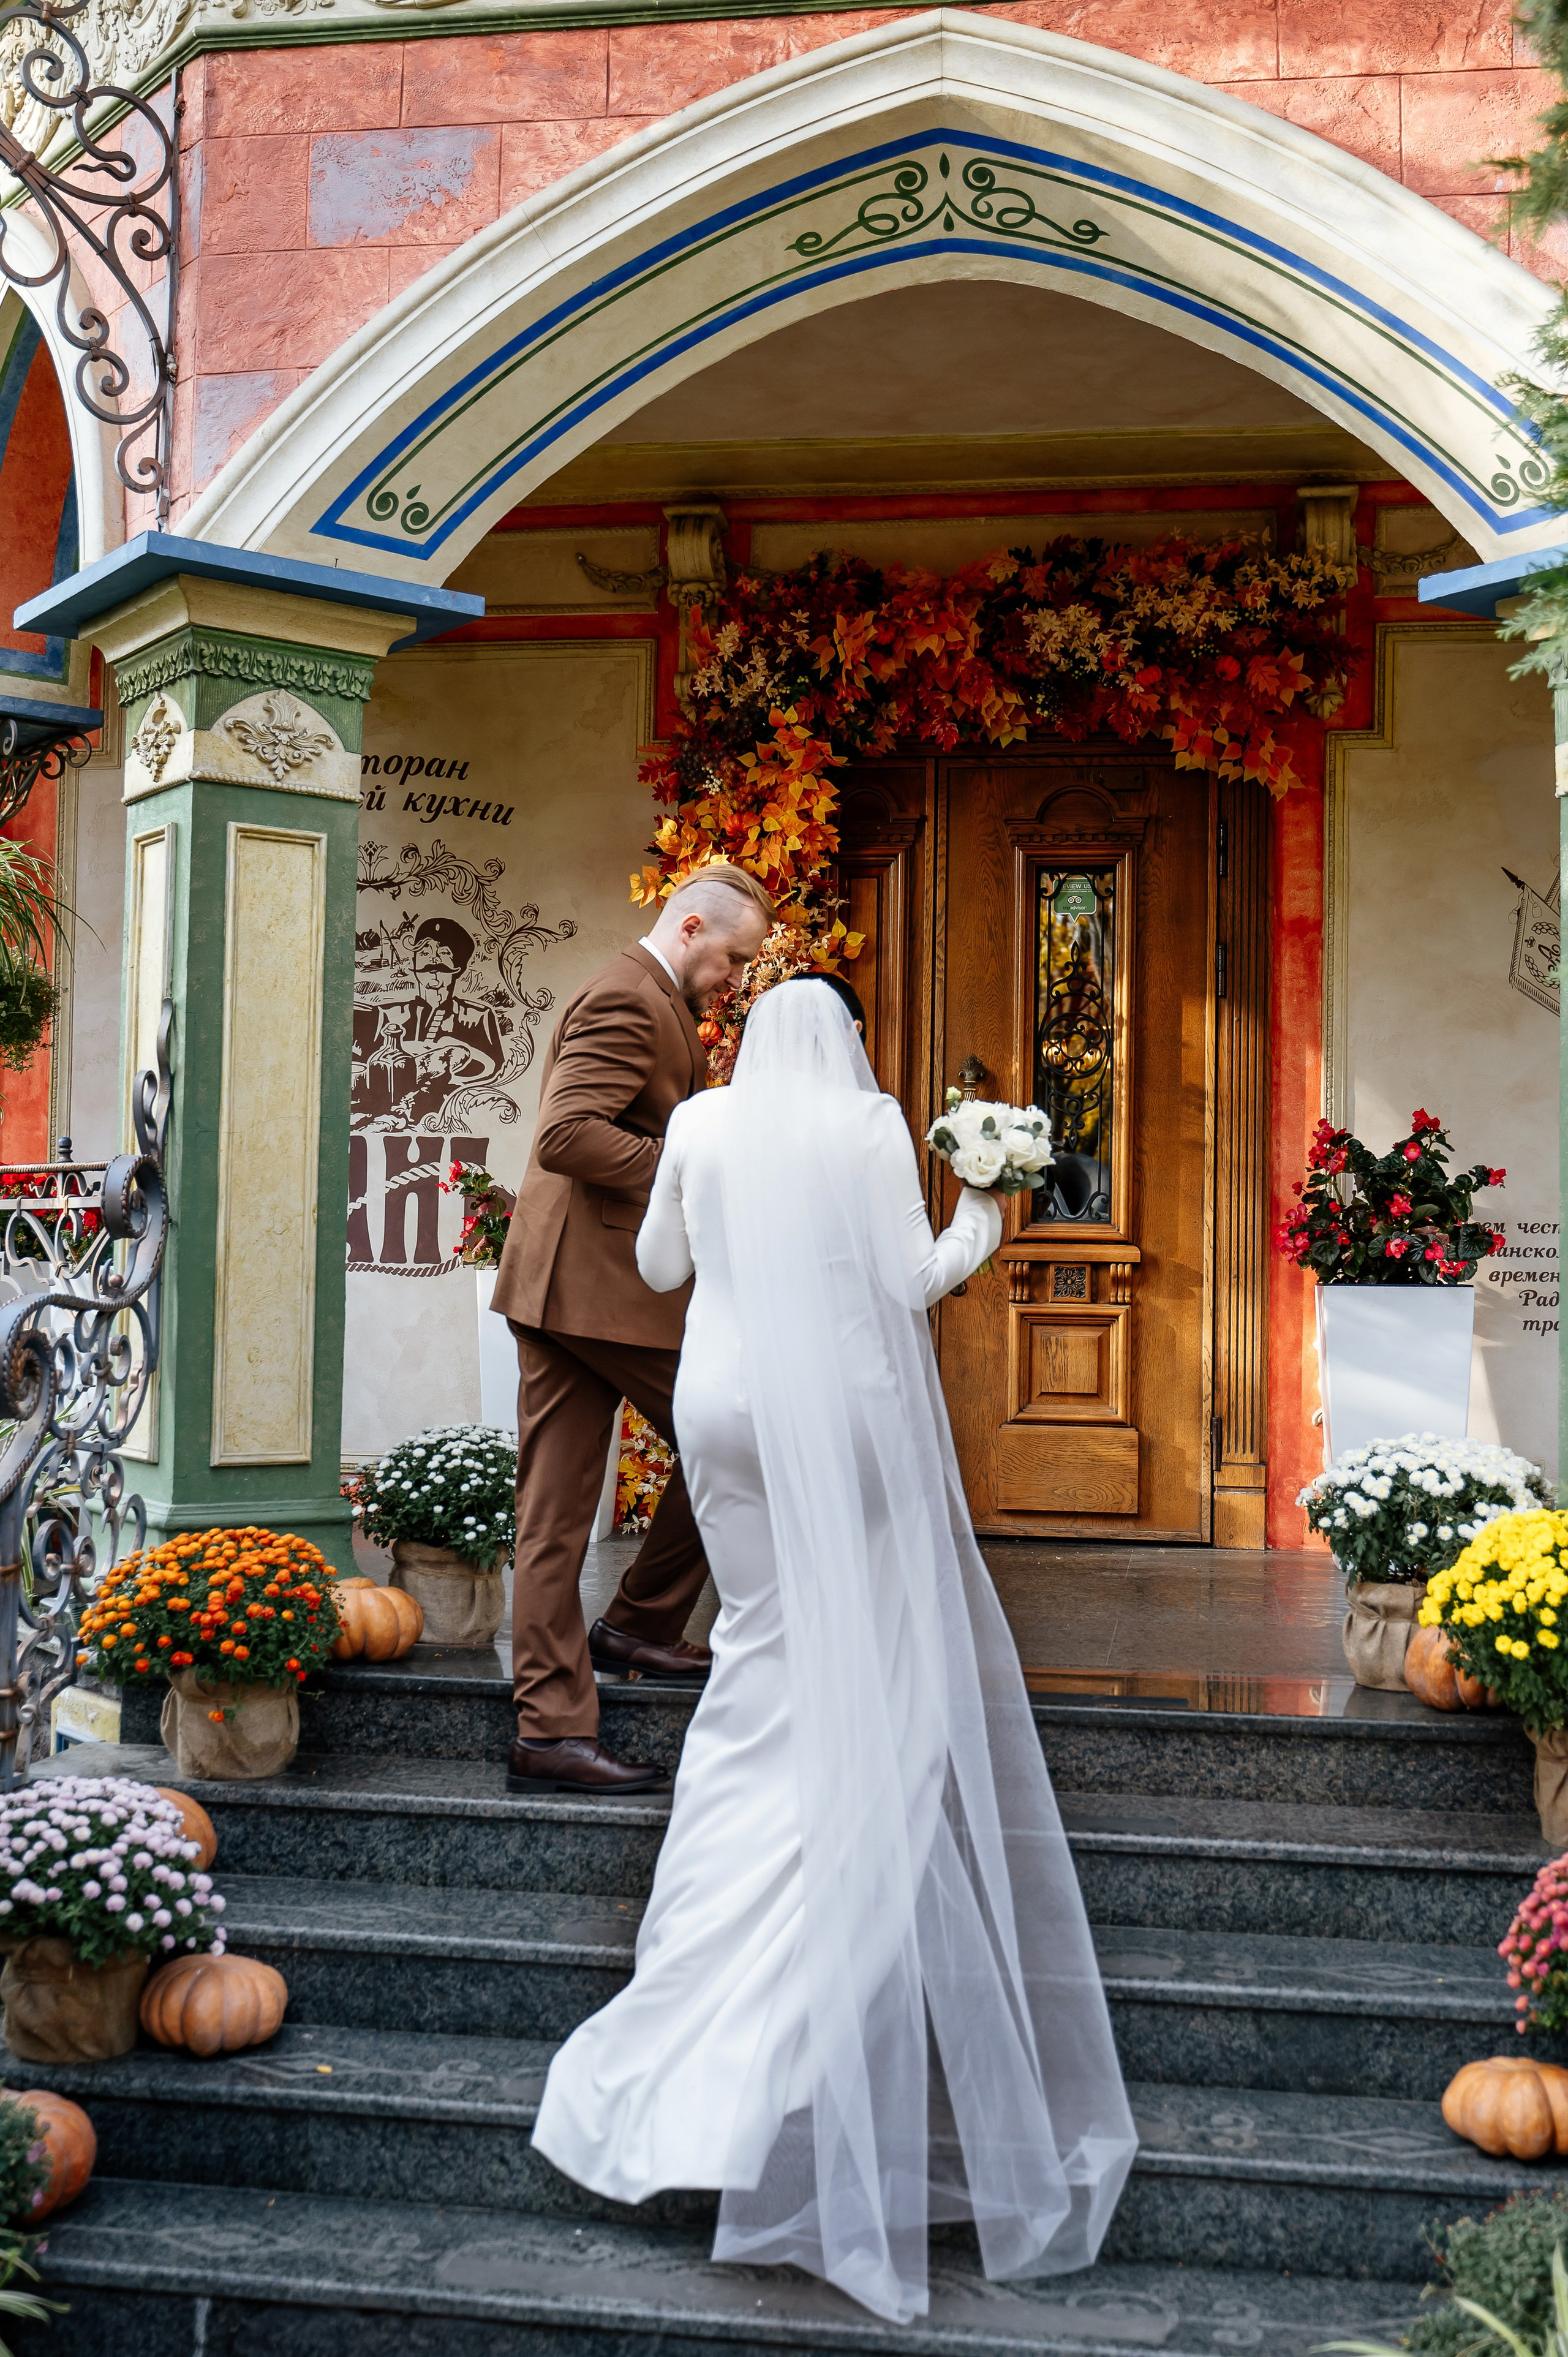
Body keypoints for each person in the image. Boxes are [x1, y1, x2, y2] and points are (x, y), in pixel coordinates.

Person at [532, 976, 1136, 2321]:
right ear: (851, 1043)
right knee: (857, 1637)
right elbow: (903, 1278)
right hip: (842, 1414)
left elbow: (660, 1273)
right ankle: (843, 1822)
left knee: (755, 1638)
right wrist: (985, 1209)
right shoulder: (868, 1126)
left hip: (720, 1404)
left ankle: (733, 1853)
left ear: (750, 1041)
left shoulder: (698, 1120)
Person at [492, 862, 774, 1796]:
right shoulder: (627, 996)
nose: (735, 980)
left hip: (581, 1290)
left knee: (554, 1522)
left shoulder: (651, 996)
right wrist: (699, 1169)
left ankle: (578, 1699)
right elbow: (567, 1136)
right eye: (734, 959)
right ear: (691, 927)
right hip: (596, 1290)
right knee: (749, 1431)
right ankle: (610, 1662)